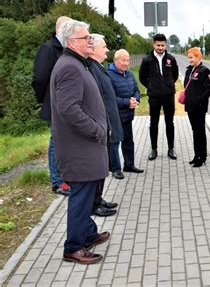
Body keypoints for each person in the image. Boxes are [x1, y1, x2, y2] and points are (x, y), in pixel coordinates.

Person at [50, 20, 110, 264]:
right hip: (80, 147)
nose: (90, 41)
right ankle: (73, 247)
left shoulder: (76, 64)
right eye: (86, 38)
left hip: (85, 146)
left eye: (90, 37)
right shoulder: (69, 67)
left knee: (87, 195)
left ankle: (88, 234)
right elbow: (68, 109)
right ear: (71, 42)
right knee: (81, 198)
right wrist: (96, 130)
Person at [32, 15, 72, 196]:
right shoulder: (48, 50)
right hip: (54, 104)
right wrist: (46, 99)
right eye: (69, 29)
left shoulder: (66, 49)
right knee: (56, 142)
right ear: (60, 30)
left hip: (67, 105)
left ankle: (67, 178)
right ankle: (57, 181)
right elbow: (39, 78)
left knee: (65, 143)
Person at [88, 34, 121, 217]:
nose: (107, 50)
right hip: (103, 124)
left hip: (108, 121)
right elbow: (97, 101)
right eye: (104, 47)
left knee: (103, 165)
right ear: (93, 49)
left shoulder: (99, 68)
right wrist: (105, 125)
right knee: (100, 167)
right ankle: (95, 203)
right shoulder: (92, 69)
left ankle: (99, 199)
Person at [139, 33, 179, 161]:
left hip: (168, 96)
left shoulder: (171, 59)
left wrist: (167, 85)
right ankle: (154, 149)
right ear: (153, 44)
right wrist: (151, 86)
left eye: (162, 45)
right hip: (154, 96)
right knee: (153, 123)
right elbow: (142, 77)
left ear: (166, 44)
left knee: (169, 123)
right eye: (158, 45)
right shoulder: (147, 60)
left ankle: (171, 149)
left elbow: (175, 75)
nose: (160, 47)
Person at [107, 49, 143, 174]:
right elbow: (110, 98)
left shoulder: (129, 74)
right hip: (115, 116)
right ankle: (116, 169)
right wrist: (127, 102)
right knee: (114, 143)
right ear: (115, 60)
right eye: (123, 60)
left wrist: (135, 100)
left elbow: (137, 90)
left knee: (128, 141)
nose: (126, 63)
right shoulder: (109, 75)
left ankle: (129, 165)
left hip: (128, 115)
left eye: (128, 60)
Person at [183, 47, 210, 167]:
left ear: (198, 57)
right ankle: (197, 155)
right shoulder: (189, 70)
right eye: (189, 57)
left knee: (200, 131)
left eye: (191, 57)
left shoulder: (204, 71)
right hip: (190, 106)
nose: (189, 60)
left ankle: (202, 157)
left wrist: (199, 99)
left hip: (199, 107)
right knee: (195, 131)